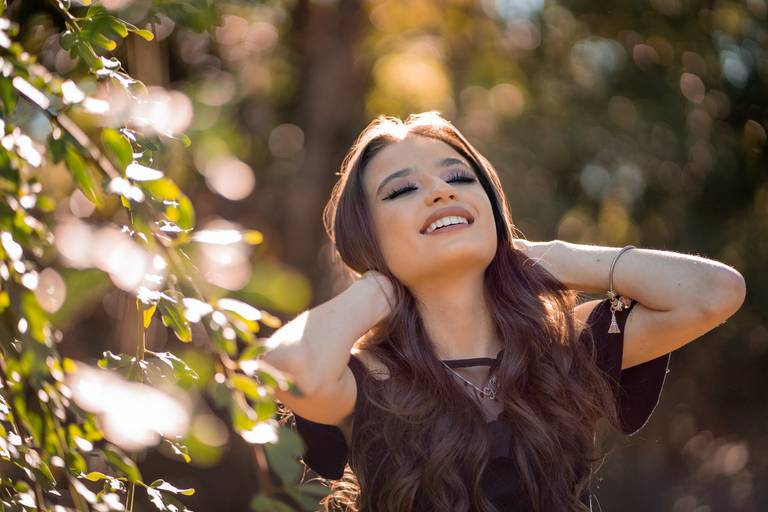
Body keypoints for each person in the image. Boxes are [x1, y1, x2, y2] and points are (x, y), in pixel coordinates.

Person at [262, 111, 746, 511]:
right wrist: (377, 288)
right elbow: (286, 366)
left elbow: (715, 292)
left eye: (459, 177)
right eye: (402, 190)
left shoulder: (563, 347)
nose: (441, 191)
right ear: (366, 235)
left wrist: (552, 257)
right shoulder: (368, 378)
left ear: (492, 210)